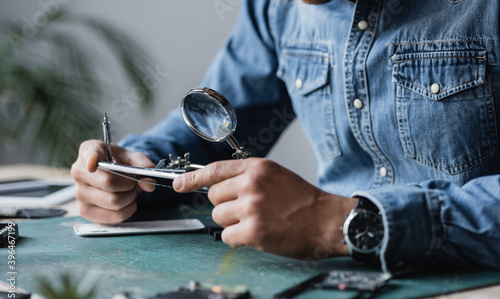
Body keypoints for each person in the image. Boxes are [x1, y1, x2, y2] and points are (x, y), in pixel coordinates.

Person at [71, 0, 500, 273]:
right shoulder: (277, 7)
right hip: (332, 286)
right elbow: (209, 131)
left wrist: (339, 222)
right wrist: (133, 170)